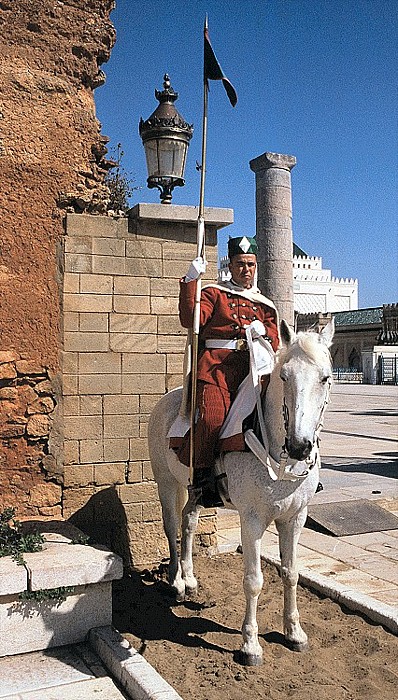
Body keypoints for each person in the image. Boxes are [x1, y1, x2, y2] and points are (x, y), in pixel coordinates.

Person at [178, 235, 280, 507]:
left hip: (253, 370)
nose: (245, 270)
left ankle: (297, 469)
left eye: (250, 264)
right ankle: (202, 480)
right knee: (212, 419)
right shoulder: (213, 293)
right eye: (239, 264)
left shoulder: (265, 304)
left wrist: (265, 337)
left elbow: (275, 339)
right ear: (230, 265)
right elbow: (191, 320)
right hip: (216, 369)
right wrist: (190, 280)